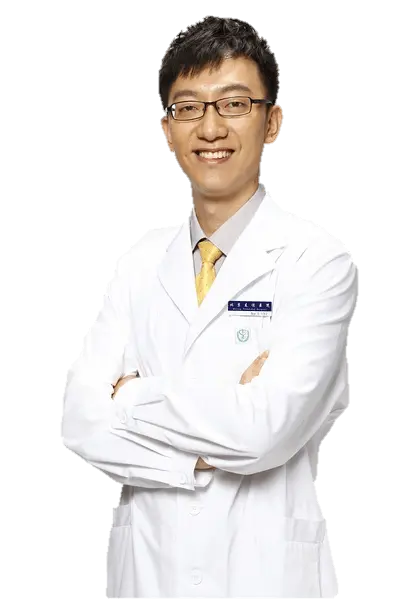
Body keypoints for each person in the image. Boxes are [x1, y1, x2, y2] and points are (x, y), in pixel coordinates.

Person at [62, 15, 356, 599]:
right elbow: (78, 422)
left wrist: (132, 397)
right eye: (189, 107)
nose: (211, 127)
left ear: (272, 122)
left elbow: (264, 431)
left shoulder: (317, 257)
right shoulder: (136, 259)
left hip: (265, 579)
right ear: (167, 129)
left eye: (234, 104)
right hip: (149, 578)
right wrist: (202, 454)